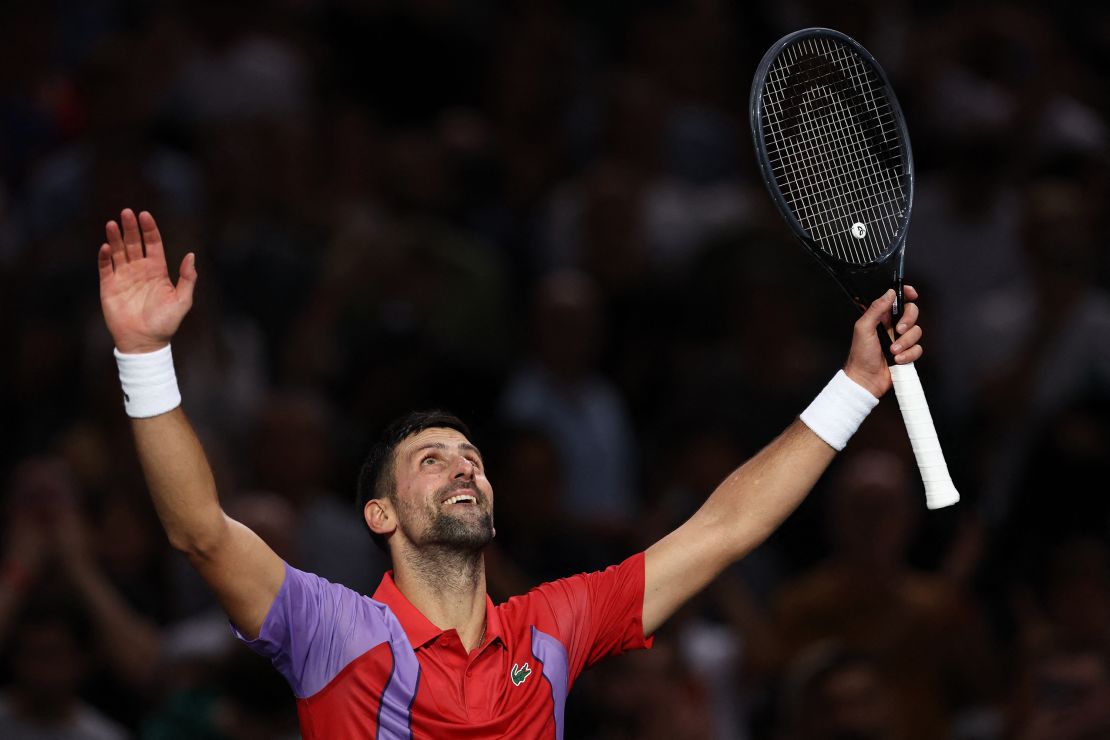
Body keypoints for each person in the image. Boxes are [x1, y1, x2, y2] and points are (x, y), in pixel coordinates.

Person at [95, 208, 925, 738]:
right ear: (379, 516)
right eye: (431, 459)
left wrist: (855, 387)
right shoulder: (331, 631)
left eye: (473, 459)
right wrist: (144, 357)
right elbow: (199, 530)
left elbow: (726, 528)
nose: (465, 468)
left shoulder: (553, 627)